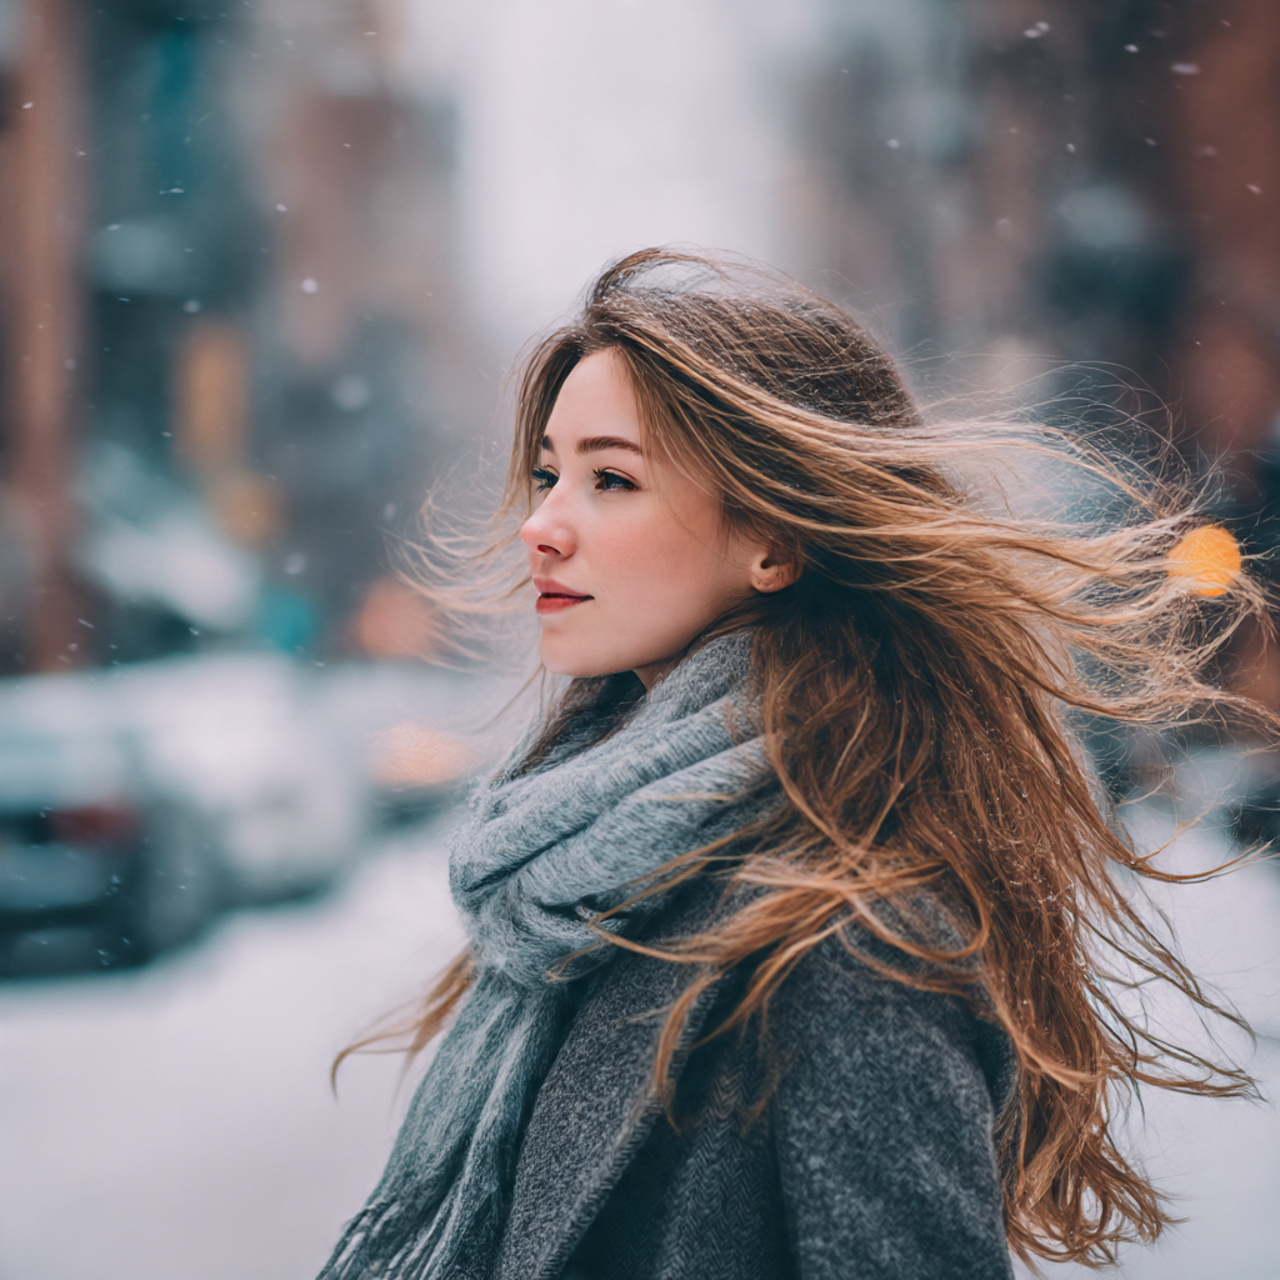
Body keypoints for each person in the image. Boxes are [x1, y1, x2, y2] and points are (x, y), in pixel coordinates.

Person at [320, 249, 1268, 1280]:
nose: (541, 524)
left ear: (771, 539)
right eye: (548, 474)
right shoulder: (578, 878)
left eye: (610, 479)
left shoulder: (849, 941)